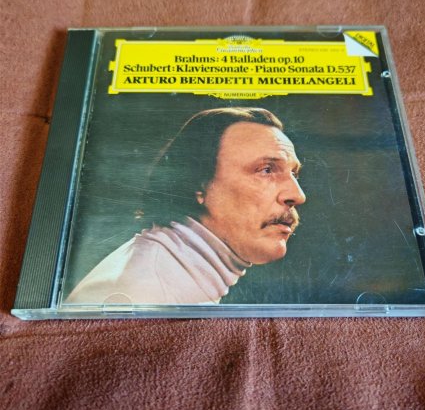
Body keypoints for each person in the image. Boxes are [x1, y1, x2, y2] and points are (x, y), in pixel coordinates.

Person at [66, 108, 306, 306]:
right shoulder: (142, 294)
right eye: (266, 170)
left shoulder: (171, 275)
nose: (297, 195)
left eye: (294, 174)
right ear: (199, 186)